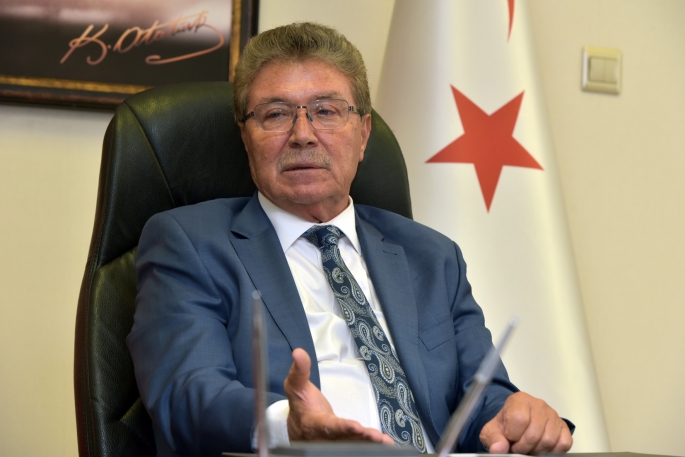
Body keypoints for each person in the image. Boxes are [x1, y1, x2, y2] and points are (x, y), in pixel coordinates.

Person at [127, 22, 573, 457]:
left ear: (363, 134)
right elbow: (188, 392)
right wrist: (287, 425)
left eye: (326, 111)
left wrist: (512, 415)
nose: (302, 135)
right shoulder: (189, 243)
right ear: (246, 138)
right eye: (276, 114)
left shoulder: (433, 256)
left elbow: (482, 397)